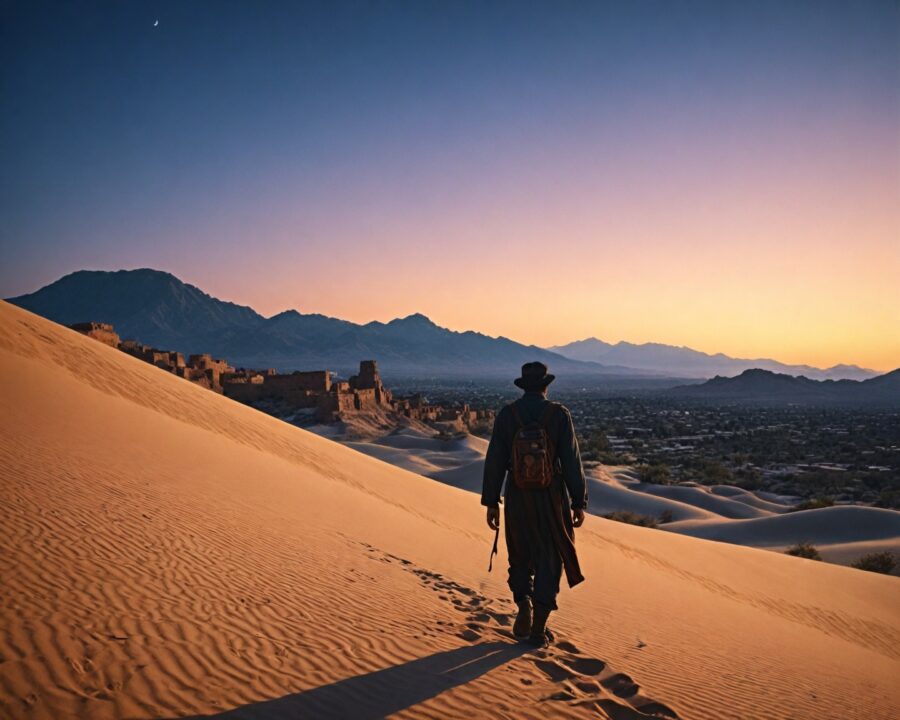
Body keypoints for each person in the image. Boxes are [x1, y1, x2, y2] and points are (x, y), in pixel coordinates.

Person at [482, 361, 587, 646]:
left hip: (517, 496)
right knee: (550, 559)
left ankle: (523, 601)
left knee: (519, 553)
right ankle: (538, 627)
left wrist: (491, 502)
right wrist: (579, 501)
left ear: (523, 386)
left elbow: (494, 462)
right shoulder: (559, 415)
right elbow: (572, 461)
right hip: (551, 498)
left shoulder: (507, 415)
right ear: (545, 385)